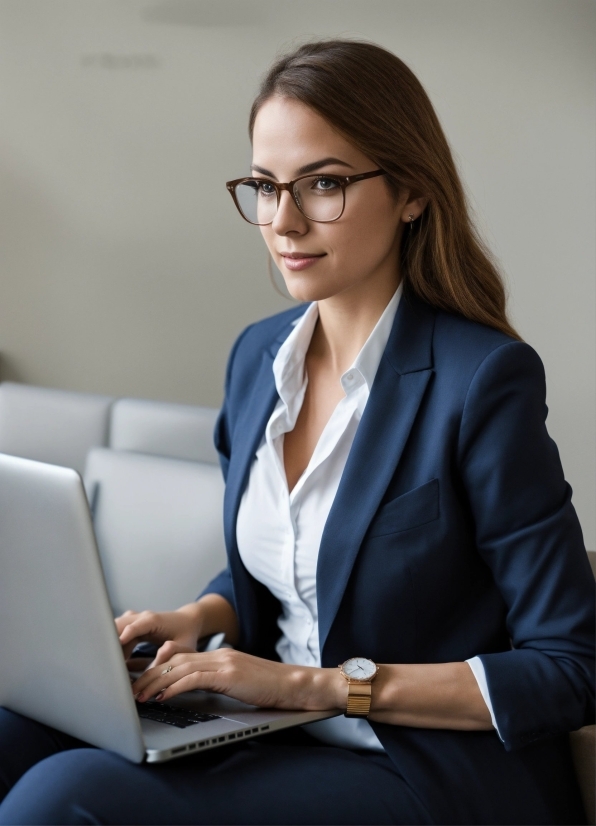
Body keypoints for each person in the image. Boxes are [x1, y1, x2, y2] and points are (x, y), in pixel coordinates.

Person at [0, 39, 593, 826]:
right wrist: (200, 618)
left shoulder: (483, 380)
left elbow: (569, 667)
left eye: (323, 185)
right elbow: (298, 570)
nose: (282, 221)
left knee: (63, 797)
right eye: (264, 186)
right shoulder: (257, 358)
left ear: (412, 191)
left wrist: (308, 687)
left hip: (421, 770)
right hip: (275, 732)